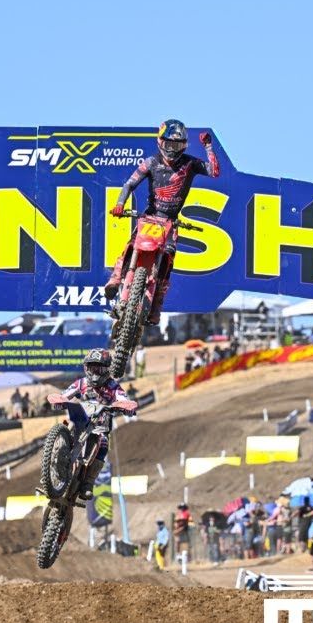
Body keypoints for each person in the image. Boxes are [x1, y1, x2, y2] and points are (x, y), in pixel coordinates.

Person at [105, 120, 220, 325]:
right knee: (130, 246)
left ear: (184, 146)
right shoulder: (151, 162)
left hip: (171, 223)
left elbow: (214, 171)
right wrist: (120, 204)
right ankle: (115, 279)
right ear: (160, 142)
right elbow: (129, 184)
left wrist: (209, 147)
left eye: (177, 145)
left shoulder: (190, 164)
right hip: (150, 217)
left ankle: (156, 308)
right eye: (169, 144)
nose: (172, 150)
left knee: (167, 264)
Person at [53, 348, 136, 500]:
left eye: (99, 369)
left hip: (100, 424)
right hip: (80, 418)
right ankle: (53, 458)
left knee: (103, 444)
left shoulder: (113, 386)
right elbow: (65, 394)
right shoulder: (82, 383)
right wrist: (59, 400)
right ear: (86, 368)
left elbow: (123, 399)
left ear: (107, 369)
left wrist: (127, 407)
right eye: (92, 368)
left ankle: (88, 483)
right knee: (65, 427)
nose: (95, 373)